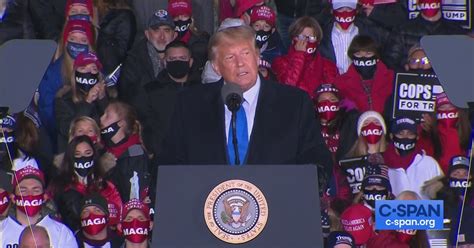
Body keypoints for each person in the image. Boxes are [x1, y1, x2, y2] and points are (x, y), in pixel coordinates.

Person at [160, 23, 331, 168]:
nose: (240, 63)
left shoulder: (294, 103)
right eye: (229, 57)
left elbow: (316, 160)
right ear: (216, 67)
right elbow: (169, 161)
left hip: (278, 203)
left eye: (246, 53)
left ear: (257, 58)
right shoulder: (191, 104)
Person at [38, 19, 95, 146]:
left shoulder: (99, 72)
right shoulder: (52, 75)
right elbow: (48, 117)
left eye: (83, 40)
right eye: (73, 39)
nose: (77, 45)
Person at [48, 135, 122, 231]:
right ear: (70, 157)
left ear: (94, 155)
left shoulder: (106, 186)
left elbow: (116, 217)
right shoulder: (57, 185)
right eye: (77, 154)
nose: (82, 158)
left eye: (87, 153)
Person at [138, 41, 199, 157]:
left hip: (197, 158)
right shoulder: (150, 92)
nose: (178, 62)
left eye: (182, 58)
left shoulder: (203, 91)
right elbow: (144, 125)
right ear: (165, 62)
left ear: (190, 62)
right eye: (172, 59)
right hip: (162, 159)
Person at [0, 166, 77, 247]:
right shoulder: (1, 230)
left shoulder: (62, 233)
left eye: (36, 190)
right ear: (13, 198)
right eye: (23, 190)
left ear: (44, 197)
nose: (30, 194)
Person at [384, 0, 466, 70]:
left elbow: (463, 64)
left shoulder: (456, 32)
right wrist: (406, 68)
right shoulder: (402, 30)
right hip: (410, 82)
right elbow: (390, 62)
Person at [118, 9, 177, 105]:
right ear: (147, 34)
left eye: (166, 30)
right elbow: (126, 97)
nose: (162, 37)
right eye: (156, 30)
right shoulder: (133, 60)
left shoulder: (183, 56)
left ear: (174, 35)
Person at [272, 16, 338, 99]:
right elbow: (287, 89)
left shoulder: (328, 65)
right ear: (293, 39)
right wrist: (299, 56)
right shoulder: (280, 62)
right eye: (301, 37)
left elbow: (333, 96)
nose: (306, 41)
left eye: (311, 38)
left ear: (318, 41)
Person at [55, 52, 109, 153]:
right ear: (75, 73)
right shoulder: (63, 99)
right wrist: (87, 102)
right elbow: (66, 129)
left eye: (93, 69)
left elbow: (109, 130)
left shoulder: (105, 98)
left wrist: (102, 99)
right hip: (72, 156)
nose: (88, 72)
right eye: (83, 68)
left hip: (100, 157)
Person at [314, 84, 357, 206]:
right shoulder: (310, 127)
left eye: (333, 100)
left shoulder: (347, 126)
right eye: (323, 100)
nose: (328, 104)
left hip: (346, 181)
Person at [318, 0, 388, 75]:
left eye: (349, 8)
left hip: (361, 84)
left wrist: (377, 15)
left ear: (356, 10)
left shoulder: (371, 32)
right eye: (340, 8)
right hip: (331, 83)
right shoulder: (321, 35)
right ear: (332, 10)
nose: (345, 12)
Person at [100, 101, 151, 203]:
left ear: (121, 124)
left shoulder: (137, 154)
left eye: (107, 116)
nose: (101, 119)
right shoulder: (102, 152)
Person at [384, 117, 443, 199]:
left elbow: (443, 195)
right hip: (392, 211)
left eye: (410, 133)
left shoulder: (430, 163)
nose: (405, 137)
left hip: (424, 211)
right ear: (391, 136)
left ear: (417, 137)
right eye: (401, 133)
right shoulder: (382, 165)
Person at [334, 35, 393, 114]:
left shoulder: (392, 78)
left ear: (377, 57)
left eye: (368, 53)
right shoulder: (341, 82)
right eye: (358, 54)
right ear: (352, 57)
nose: (363, 58)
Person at [96, 0, 137, 75]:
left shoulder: (125, 15)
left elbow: (123, 48)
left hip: (111, 69)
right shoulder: (101, 10)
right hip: (101, 64)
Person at [168, 0, 209, 73]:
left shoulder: (203, 39)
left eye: (184, 15)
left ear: (191, 18)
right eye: (175, 16)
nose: (180, 18)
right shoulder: (164, 41)